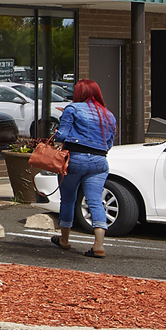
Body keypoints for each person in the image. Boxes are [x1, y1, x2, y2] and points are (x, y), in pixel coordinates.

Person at [52, 79, 118, 257]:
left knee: (68, 199)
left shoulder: (72, 109)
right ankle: (99, 246)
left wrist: (57, 130)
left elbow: (62, 136)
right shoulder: (108, 115)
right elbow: (109, 143)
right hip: (99, 162)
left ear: (79, 93)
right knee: (95, 201)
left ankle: (64, 240)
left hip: (75, 159)